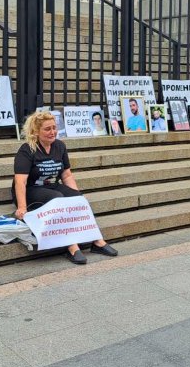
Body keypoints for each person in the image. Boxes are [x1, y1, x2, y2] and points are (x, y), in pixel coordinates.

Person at [13, 111, 118, 264]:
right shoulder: (26, 150)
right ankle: (72, 247)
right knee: (58, 199)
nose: (53, 132)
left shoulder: (60, 146)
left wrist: (77, 198)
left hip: (52, 186)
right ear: (36, 132)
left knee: (79, 199)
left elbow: (67, 175)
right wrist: (22, 207)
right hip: (31, 189)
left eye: (54, 128)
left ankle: (97, 241)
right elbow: (20, 181)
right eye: (47, 129)